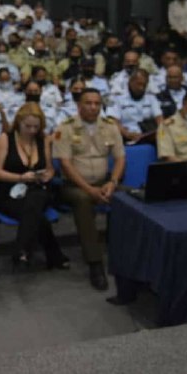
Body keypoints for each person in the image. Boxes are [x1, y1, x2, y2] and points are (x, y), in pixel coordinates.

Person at [53, 88, 125, 290]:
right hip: (73, 186)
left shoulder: (110, 126)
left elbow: (120, 158)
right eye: (88, 103)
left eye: (97, 103)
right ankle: (95, 264)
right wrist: (89, 189)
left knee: (131, 198)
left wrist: (112, 182)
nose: (93, 107)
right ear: (79, 105)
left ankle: (124, 251)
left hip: (104, 182)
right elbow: (65, 165)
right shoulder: (65, 128)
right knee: (83, 200)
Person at [0, 103, 69, 270]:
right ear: (19, 122)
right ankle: (53, 254)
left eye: (36, 127)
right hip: (10, 192)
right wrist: (20, 177)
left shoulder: (42, 140)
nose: (32, 131)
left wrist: (47, 175)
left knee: (37, 197)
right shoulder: (6, 138)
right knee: (36, 216)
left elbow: (49, 168)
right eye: (28, 126)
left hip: (37, 188)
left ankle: (22, 249)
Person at [106, 69, 163, 142]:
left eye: (144, 85)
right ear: (130, 82)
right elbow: (112, 121)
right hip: (125, 137)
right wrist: (126, 133)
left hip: (148, 136)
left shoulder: (151, 98)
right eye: (138, 84)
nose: (141, 88)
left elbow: (160, 119)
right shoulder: (116, 98)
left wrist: (160, 133)